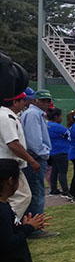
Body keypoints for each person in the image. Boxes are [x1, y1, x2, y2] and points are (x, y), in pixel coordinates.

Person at [0, 159, 51, 262]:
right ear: (11, 181)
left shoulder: (5, 205)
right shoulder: (2, 211)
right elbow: (7, 243)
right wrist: (28, 228)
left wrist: (22, 227)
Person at [19, 89, 53, 233]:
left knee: (34, 192)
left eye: (48, 101)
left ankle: (31, 226)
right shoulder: (33, 114)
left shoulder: (35, 114)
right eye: (43, 100)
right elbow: (35, 141)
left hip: (34, 156)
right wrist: (44, 153)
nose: (46, 103)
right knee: (36, 193)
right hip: (35, 157)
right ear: (35, 100)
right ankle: (34, 229)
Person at [0, 92, 36, 220]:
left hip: (6, 162)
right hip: (8, 164)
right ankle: (9, 225)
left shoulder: (6, 115)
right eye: (22, 100)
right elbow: (13, 143)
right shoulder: (6, 116)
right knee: (22, 197)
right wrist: (31, 160)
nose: (25, 103)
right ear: (15, 102)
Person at [46, 108, 70, 198]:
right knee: (62, 172)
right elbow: (69, 135)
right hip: (61, 151)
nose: (61, 118)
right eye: (60, 116)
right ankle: (65, 190)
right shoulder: (58, 126)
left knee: (54, 171)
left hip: (51, 151)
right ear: (56, 117)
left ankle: (53, 189)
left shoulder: (46, 125)